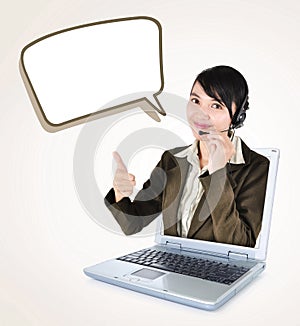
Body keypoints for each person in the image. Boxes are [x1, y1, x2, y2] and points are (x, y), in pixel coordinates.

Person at [105, 65, 269, 247]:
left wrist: (218, 173)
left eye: (215, 105)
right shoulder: (172, 160)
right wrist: (120, 193)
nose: (200, 113)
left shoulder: (257, 167)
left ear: (237, 117)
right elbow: (133, 224)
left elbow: (241, 244)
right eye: (195, 101)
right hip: (172, 263)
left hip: (217, 271)